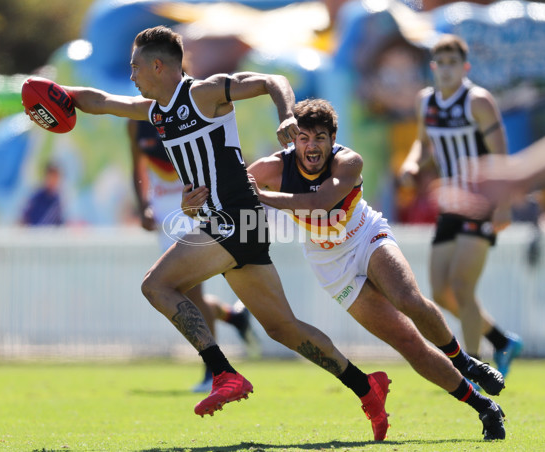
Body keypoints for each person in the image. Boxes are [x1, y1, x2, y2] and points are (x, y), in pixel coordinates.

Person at [28, 25, 396, 441]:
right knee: (283, 329)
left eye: (134, 67)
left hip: (234, 217)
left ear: (157, 65)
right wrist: (58, 92)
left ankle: (223, 373)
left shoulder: (201, 94)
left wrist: (288, 115)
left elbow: (272, 81)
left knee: (157, 286)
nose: (130, 76)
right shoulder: (156, 111)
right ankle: (367, 387)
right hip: (231, 221)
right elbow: (103, 102)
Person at [242, 98, 506, 440]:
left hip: (366, 235)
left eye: (320, 137)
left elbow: (319, 201)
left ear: (333, 138)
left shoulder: (348, 161)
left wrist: (260, 196)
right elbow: (233, 187)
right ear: (293, 139)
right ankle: (485, 407)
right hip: (331, 263)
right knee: (407, 340)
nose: (311, 146)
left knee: (407, 298)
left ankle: (465, 361)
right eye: (304, 137)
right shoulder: (274, 167)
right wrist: (198, 199)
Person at [398, 34, 523, 378]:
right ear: (433, 67)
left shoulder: (478, 100)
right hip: (449, 203)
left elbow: (500, 153)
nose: (447, 70)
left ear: (465, 67)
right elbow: (422, 146)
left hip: (481, 202)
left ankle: (476, 370)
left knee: (463, 287)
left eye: (454, 63)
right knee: (440, 292)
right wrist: (412, 165)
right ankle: (500, 340)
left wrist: (503, 205)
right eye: (441, 63)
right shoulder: (426, 102)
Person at [127, 118, 260, 392]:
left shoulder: (187, 109)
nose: (136, 79)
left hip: (193, 209)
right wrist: (143, 207)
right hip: (164, 215)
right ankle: (231, 316)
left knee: (184, 292)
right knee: (183, 293)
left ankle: (214, 372)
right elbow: (137, 165)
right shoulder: (135, 121)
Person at [20, 162, 64, 226]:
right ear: (46, 177)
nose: (53, 181)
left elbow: (60, 223)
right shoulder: (36, 198)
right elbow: (24, 218)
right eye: (51, 177)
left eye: (55, 178)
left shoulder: (58, 201)